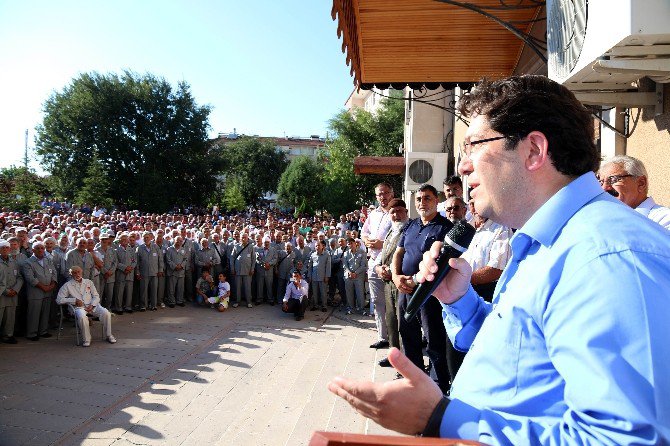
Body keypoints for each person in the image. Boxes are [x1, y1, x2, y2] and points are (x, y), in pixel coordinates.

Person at [328, 75, 670, 444]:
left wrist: (439, 418)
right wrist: (461, 300)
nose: (462, 167)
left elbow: (627, 439)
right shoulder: (546, 241)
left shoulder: (608, 258)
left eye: (473, 146)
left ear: (534, 151)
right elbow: (525, 354)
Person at [391, 184, 454, 394]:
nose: (422, 203)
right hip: (404, 289)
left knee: (433, 337)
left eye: (427, 198)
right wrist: (395, 276)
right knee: (407, 333)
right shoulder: (411, 226)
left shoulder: (444, 227)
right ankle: (414, 378)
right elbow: (398, 253)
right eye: (418, 199)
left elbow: (441, 260)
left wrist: (415, 281)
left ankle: (438, 385)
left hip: (428, 291)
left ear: (436, 201)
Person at [373, 198, 409, 367]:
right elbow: (381, 257)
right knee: (391, 321)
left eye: (399, 211)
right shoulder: (390, 232)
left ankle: (405, 363)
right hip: (388, 284)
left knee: (404, 324)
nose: (396, 215)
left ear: (406, 213)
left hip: (402, 283)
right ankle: (393, 356)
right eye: (392, 212)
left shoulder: (410, 230)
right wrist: (379, 269)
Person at [361, 182, 394, 349]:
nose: (383, 197)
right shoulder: (373, 214)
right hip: (373, 262)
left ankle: (396, 338)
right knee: (377, 301)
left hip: (390, 264)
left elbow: (401, 234)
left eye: (386, 193)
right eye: (380, 194)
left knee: (392, 302)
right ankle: (383, 337)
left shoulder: (397, 212)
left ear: (392, 193)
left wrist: (383, 244)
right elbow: (364, 231)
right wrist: (366, 240)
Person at [599, 155, 670, 230]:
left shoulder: (664, 220)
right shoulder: (606, 219)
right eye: (601, 182)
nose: (604, 188)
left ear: (641, 183)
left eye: (613, 179)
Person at [462, 203, 513, 302]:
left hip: (486, 294)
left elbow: (497, 269)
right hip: (464, 292)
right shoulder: (467, 227)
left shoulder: (502, 228)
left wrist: (463, 280)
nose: (474, 207)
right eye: (471, 204)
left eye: (478, 203)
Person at [57, 266, 116, 347]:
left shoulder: (89, 282)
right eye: (74, 273)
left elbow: (96, 296)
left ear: (81, 272)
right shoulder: (67, 285)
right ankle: (87, 339)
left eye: (78, 272)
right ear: (71, 274)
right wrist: (74, 300)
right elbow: (59, 299)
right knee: (82, 316)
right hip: (78, 308)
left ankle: (109, 335)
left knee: (106, 313)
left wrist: (92, 305)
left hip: (92, 305)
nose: (77, 274)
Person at [21, 241, 58, 341]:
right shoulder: (28, 262)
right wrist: (43, 287)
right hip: (35, 292)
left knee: (45, 312)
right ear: (33, 250)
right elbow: (30, 278)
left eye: (42, 248)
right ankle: (32, 333)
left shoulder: (48, 260)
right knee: (34, 313)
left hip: (48, 291)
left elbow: (54, 272)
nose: (41, 250)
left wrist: (52, 284)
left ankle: (43, 331)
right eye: (38, 248)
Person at [0, 239, 22, 344]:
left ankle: (8, 336)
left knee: (10, 317)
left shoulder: (14, 262)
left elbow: (20, 277)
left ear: (9, 249)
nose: (5, 249)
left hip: (13, 294)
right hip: (1, 294)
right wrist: (5, 291)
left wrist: (16, 289)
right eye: (2, 248)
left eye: (6, 248)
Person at [136, 231, 163, 311]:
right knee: (143, 290)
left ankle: (153, 305)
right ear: (143, 239)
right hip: (144, 273)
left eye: (148, 237)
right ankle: (143, 306)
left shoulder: (156, 247)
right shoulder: (140, 248)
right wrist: (137, 272)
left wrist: (160, 270)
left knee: (154, 290)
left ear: (151, 238)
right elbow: (137, 262)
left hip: (155, 272)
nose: (146, 239)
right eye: (145, 237)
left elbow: (160, 259)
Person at [342, 237, 366, 315]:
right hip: (348, 276)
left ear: (355, 243)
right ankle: (351, 308)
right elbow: (345, 265)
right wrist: (349, 272)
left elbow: (363, 265)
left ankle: (361, 309)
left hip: (358, 276)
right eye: (348, 244)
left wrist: (355, 273)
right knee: (349, 293)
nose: (350, 245)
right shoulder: (346, 253)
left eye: (351, 243)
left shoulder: (362, 252)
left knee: (360, 293)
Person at [307, 240, 331, 312]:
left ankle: (324, 306)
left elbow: (328, 267)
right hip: (314, 277)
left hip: (323, 277)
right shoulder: (313, 254)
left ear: (322, 246)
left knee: (323, 292)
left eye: (318, 245)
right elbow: (310, 267)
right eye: (316, 246)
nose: (317, 247)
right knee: (315, 292)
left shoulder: (327, 255)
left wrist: (327, 276)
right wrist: (309, 276)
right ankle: (315, 305)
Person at [165, 236, 187, 308]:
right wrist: (175, 266)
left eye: (181, 241)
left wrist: (181, 266)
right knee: (171, 288)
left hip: (181, 272)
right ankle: (171, 301)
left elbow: (185, 259)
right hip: (172, 272)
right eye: (178, 241)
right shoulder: (169, 249)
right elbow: (168, 260)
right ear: (174, 241)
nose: (179, 242)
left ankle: (179, 301)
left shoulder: (183, 249)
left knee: (180, 288)